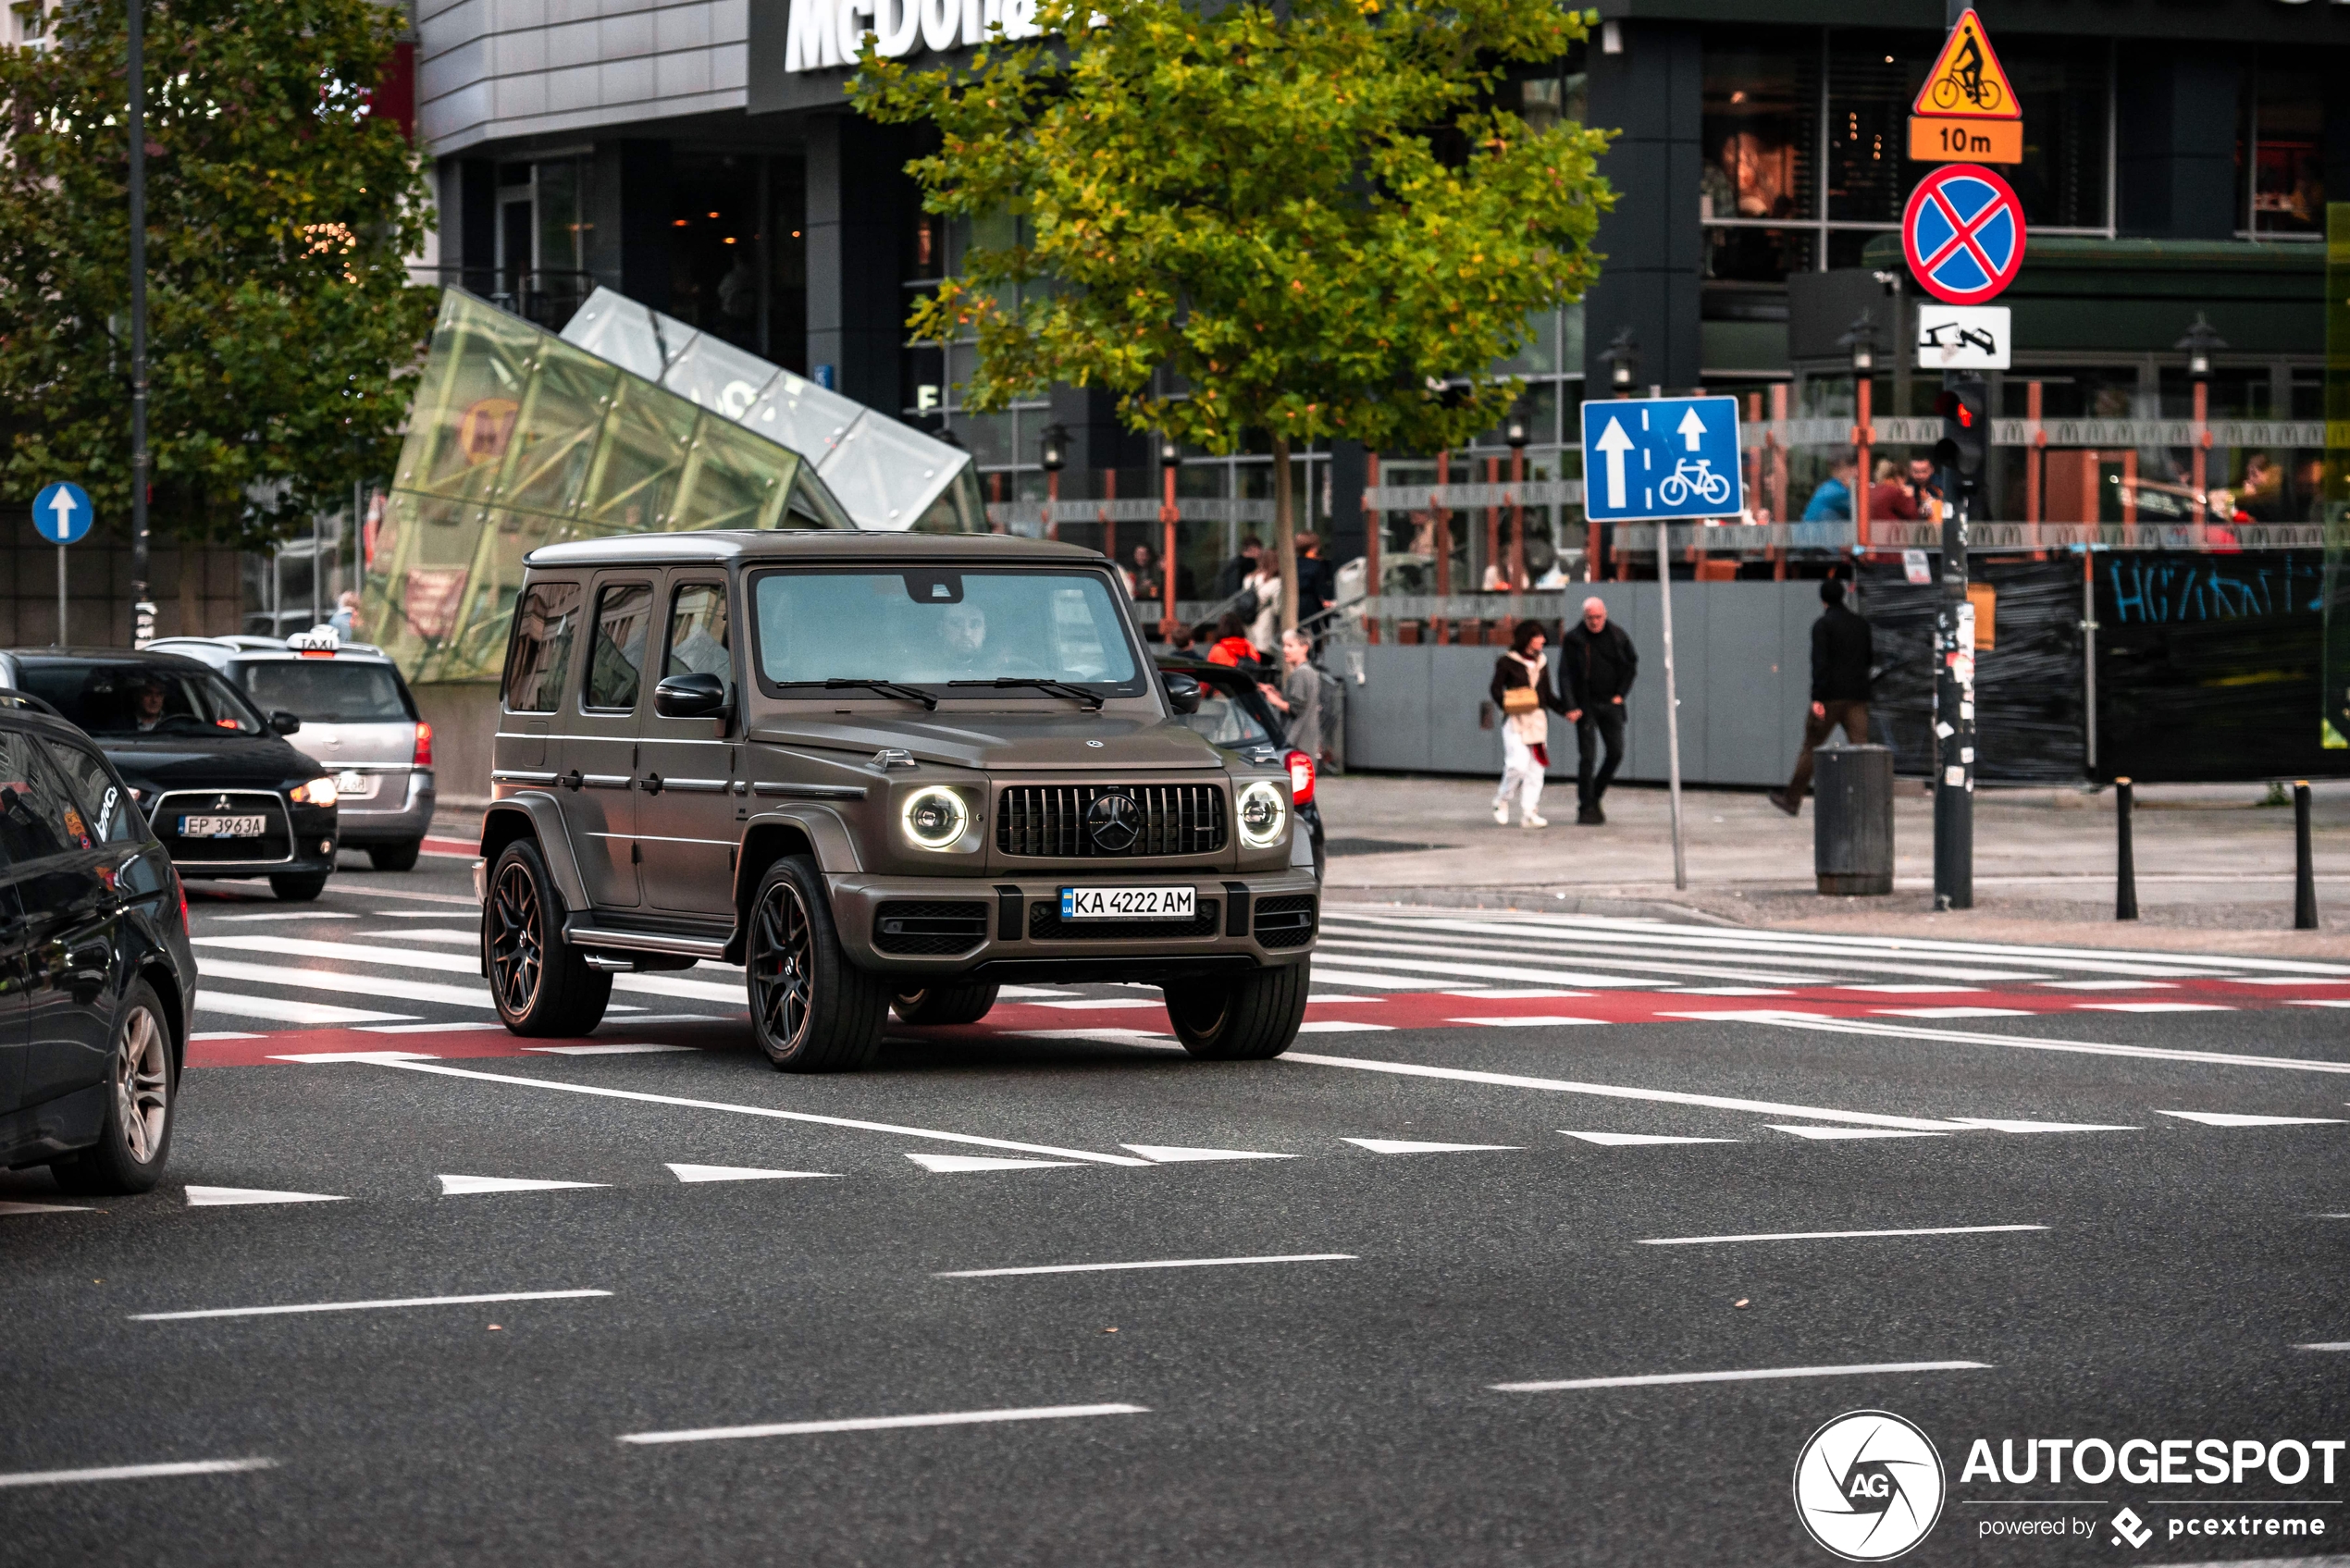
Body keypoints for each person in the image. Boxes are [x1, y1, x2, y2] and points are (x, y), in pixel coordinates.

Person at [1768, 577, 1873, 816]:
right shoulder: (1860, 624)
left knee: (1811, 747)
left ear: (1823, 599)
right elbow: (1869, 660)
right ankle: (1868, 802)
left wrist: (1817, 699)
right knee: (1862, 750)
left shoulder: (1822, 626)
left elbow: (1820, 665)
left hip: (1830, 698)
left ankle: (1791, 800)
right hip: (1857, 697)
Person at [1559, 595, 1636, 825]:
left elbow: (1631, 664)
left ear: (1605, 615)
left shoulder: (1617, 636)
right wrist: (1570, 705)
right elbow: (1565, 674)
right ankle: (1586, 805)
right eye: (1590, 618)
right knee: (1588, 756)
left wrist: (1620, 695)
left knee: (1616, 752)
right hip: (1586, 705)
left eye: (1598, 617)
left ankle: (1595, 795)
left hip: (1610, 703)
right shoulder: (1575, 639)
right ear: (1584, 617)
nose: (1594, 622)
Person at [1488, 619, 1565, 828]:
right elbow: (1495, 689)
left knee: (1536, 768)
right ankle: (1501, 800)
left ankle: (1529, 811)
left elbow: (1547, 694)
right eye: (1538, 636)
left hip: (1538, 721)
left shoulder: (1542, 662)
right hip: (1516, 721)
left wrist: (1566, 711)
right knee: (1517, 764)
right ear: (1527, 639)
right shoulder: (1507, 661)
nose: (1543, 640)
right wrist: (1508, 704)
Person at [1258, 628, 1323, 759]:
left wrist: (1274, 700)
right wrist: (1278, 695)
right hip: (1307, 738)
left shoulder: (1300, 673)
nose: (1285, 650)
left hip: (1297, 738)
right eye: (1284, 646)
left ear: (1304, 648)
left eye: (1290, 646)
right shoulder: (1310, 672)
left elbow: (1295, 708)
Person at [1244, 553, 1283, 657]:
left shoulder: (1249, 579)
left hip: (1249, 619)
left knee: (1251, 650)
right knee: (1263, 651)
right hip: (1264, 619)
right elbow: (1277, 609)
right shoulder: (1275, 581)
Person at [1292, 534, 1336, 623]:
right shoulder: (1317, 565)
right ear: (1314, 547)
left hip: (1295, 606)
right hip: (1312, 606)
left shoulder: (1294, 564)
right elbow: (1321, 588)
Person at [1801, 457, 1858, 523]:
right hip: (1819, 531)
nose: (1856, 472)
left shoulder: (1829, 486)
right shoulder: (1837, 492)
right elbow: (1863, 512)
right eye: (1853, 468)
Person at [1867, 458, 1917, 522]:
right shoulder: (1893, 491)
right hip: (1890, 530)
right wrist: (1910, 498)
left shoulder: (1870, 490)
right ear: (1900, 478)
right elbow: (1912, 516)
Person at [1215, 536, 1263, 600]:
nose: (1261, 553)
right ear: (1253, 548)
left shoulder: (1232, 564)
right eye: (1259, 549)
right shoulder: (1251, 565)